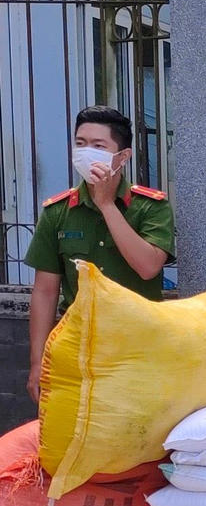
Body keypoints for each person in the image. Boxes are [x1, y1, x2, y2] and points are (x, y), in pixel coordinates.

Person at [24, 105, 174, 401]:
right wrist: (37, 361)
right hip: (77, 347)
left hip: (138, 345)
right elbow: (44, 291)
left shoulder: (150, 207)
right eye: (80, 144)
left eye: (98, 146)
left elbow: (148, 267)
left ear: (123, 156)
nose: (86, 152)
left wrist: (106, 205)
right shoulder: (57, 212)